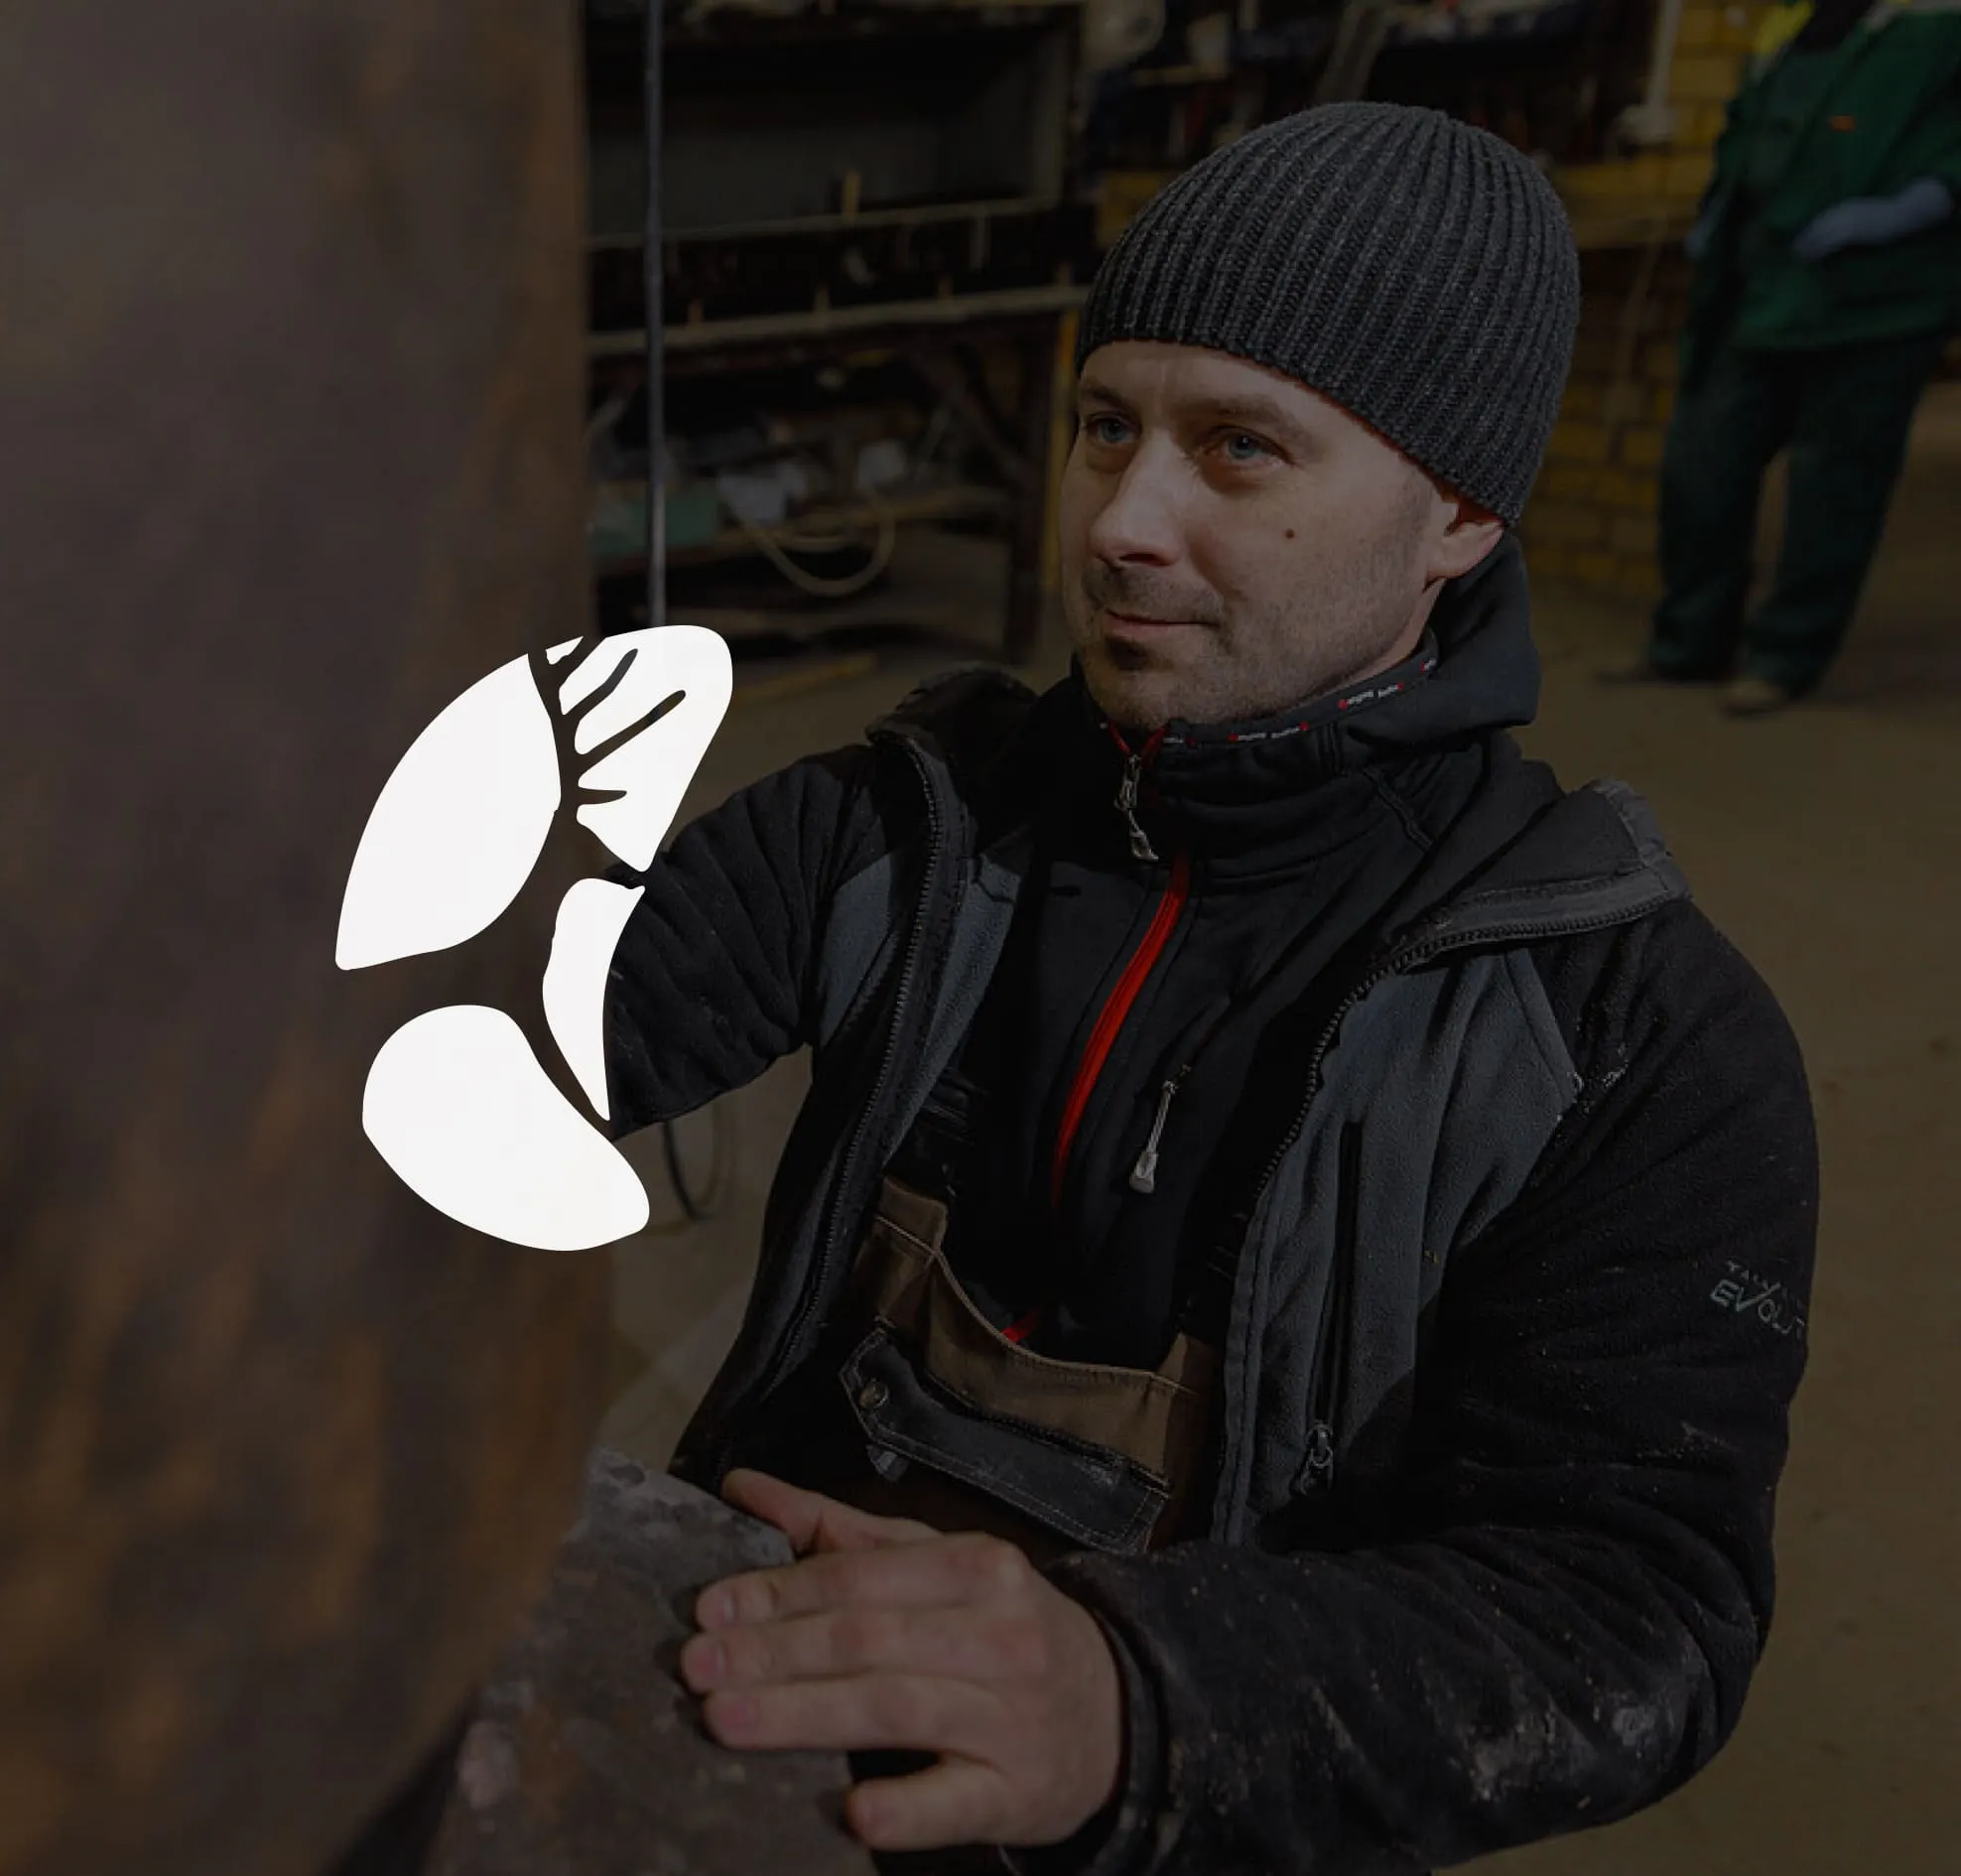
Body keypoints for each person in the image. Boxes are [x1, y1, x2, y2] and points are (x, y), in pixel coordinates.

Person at [600, 103, 1818, 1874]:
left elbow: (1629, 1615)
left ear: (1461, 511)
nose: (1119, 523)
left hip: (1193, 1811)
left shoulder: (1627, 1042)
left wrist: (1138, 1695)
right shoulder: (901, 829)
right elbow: (510, 1050)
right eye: (1107, 425)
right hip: (756, 1711)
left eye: (1239, 448)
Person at [1624, 0, 1961, 715]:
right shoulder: (1790, 22)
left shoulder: (1939, 23)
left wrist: (1920, 203)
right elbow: (1749, 126)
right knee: (1704, 466)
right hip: (1760, 285)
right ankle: (1689, 641)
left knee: (1834, 485)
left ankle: (1785, 656)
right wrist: (1721, 210)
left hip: (1877, 299)